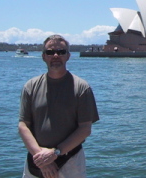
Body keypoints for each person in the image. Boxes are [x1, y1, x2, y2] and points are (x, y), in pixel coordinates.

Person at [18, 35, 99, 178]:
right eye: (50, 52)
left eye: (61, 52)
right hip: (36, 161)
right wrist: (42, 158)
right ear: (43, 56)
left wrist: (55, 153)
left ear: (68, 56)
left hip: (70, 161)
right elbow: (23, 125)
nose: (55, 55)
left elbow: (85, 129)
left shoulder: (81, 88)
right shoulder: (30, 86)